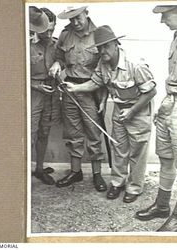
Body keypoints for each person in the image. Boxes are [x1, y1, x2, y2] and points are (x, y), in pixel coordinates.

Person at [63, 25, 157, 203]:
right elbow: (95, 83)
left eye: (106, 46)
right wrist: (75, 88)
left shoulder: (135, 64)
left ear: (116, 44)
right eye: (99, 47)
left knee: (137, 152)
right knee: (119, 149)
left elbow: (151, 92)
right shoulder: (103, 63)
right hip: (120, 110)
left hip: (138, 110)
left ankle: (134, 187)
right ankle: (117, 183)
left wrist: (132, 110)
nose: (102, 51)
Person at [135, 5, 177, 232]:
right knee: (165, 158)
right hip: (171, 102)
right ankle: (162, 205)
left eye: (165, 17)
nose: (162, 23)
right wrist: (165, 107)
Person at [48, 6, 107, 192]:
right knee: (73, 133)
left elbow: (106, 68)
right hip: (69, 90)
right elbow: (59, 56)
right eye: (71, 19)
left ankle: (97, 174)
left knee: (93, 133)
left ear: (87, 14)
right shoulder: (65, 34)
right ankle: (76, 171)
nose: (75, 22)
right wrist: (58, 63)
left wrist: (104, 98)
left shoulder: (99, 35)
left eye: (78, 18)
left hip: (91, 90)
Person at [29, 6, 61, 185]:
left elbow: (62, 58)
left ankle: (39, 169)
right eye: (47, 30)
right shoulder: (28, 44)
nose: (49, 33)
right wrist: (36, 85)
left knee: (44, 131)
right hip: (33, 94)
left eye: (53, 29)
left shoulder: (55, 44)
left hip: (51, 93)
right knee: (30, 134)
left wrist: (58, 62)